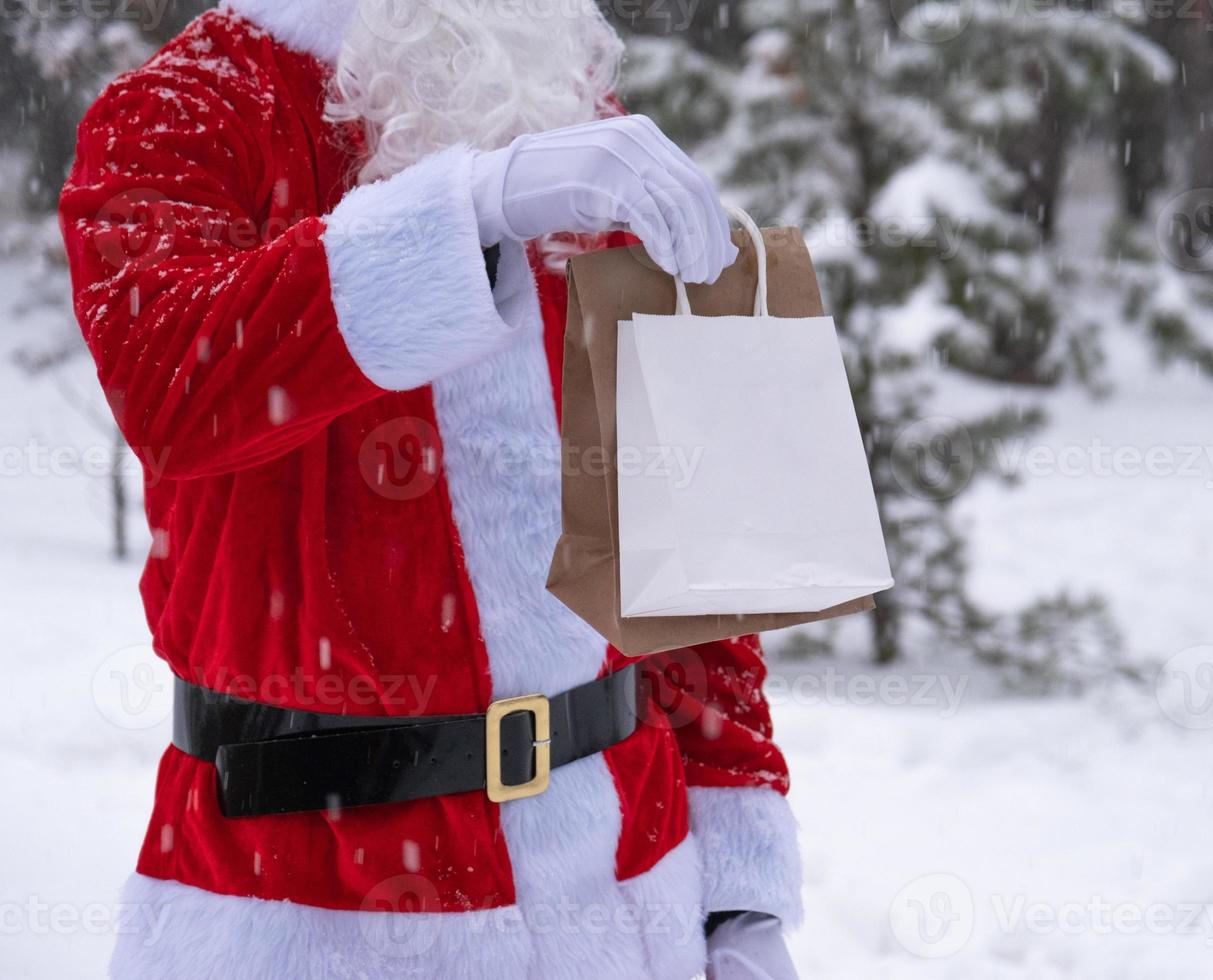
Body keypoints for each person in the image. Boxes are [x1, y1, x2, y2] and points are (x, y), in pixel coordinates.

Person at [59, 1, 801, 976]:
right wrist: (469, 211)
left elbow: (673, 523)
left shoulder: (568, 104)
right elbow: (170, 375)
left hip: (631, 887)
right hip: (309, 905)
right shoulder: (185, 105)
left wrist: (737, 887)